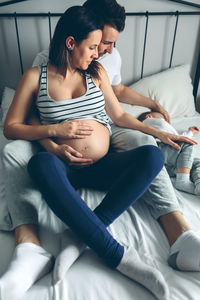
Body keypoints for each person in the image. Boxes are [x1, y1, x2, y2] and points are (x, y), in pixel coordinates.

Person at [0, 0, 198, 297]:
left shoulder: (97, 72)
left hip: (103, 166)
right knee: (39, 165)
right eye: (93, 47)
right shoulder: (35, 76)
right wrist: (54, 139)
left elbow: (118, 115)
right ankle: (117, 255)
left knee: (152, 156)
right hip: (63, 168)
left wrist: (159, 134)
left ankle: (80, 237)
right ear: (71, 42)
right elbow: (13, 126)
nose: (99, 54)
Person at [138, 111, 200, 195]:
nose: (166, 121)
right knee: (188, 144)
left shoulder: (156, 124)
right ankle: (182, 181)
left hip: (167, 163)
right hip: (160, 149)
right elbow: (181, 139)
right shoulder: (149, 122)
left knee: (195, 163)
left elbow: (179, 138)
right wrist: (189, 133)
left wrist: (190, 132)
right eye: (162, 118)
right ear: (148, 116)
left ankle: (197, 186)